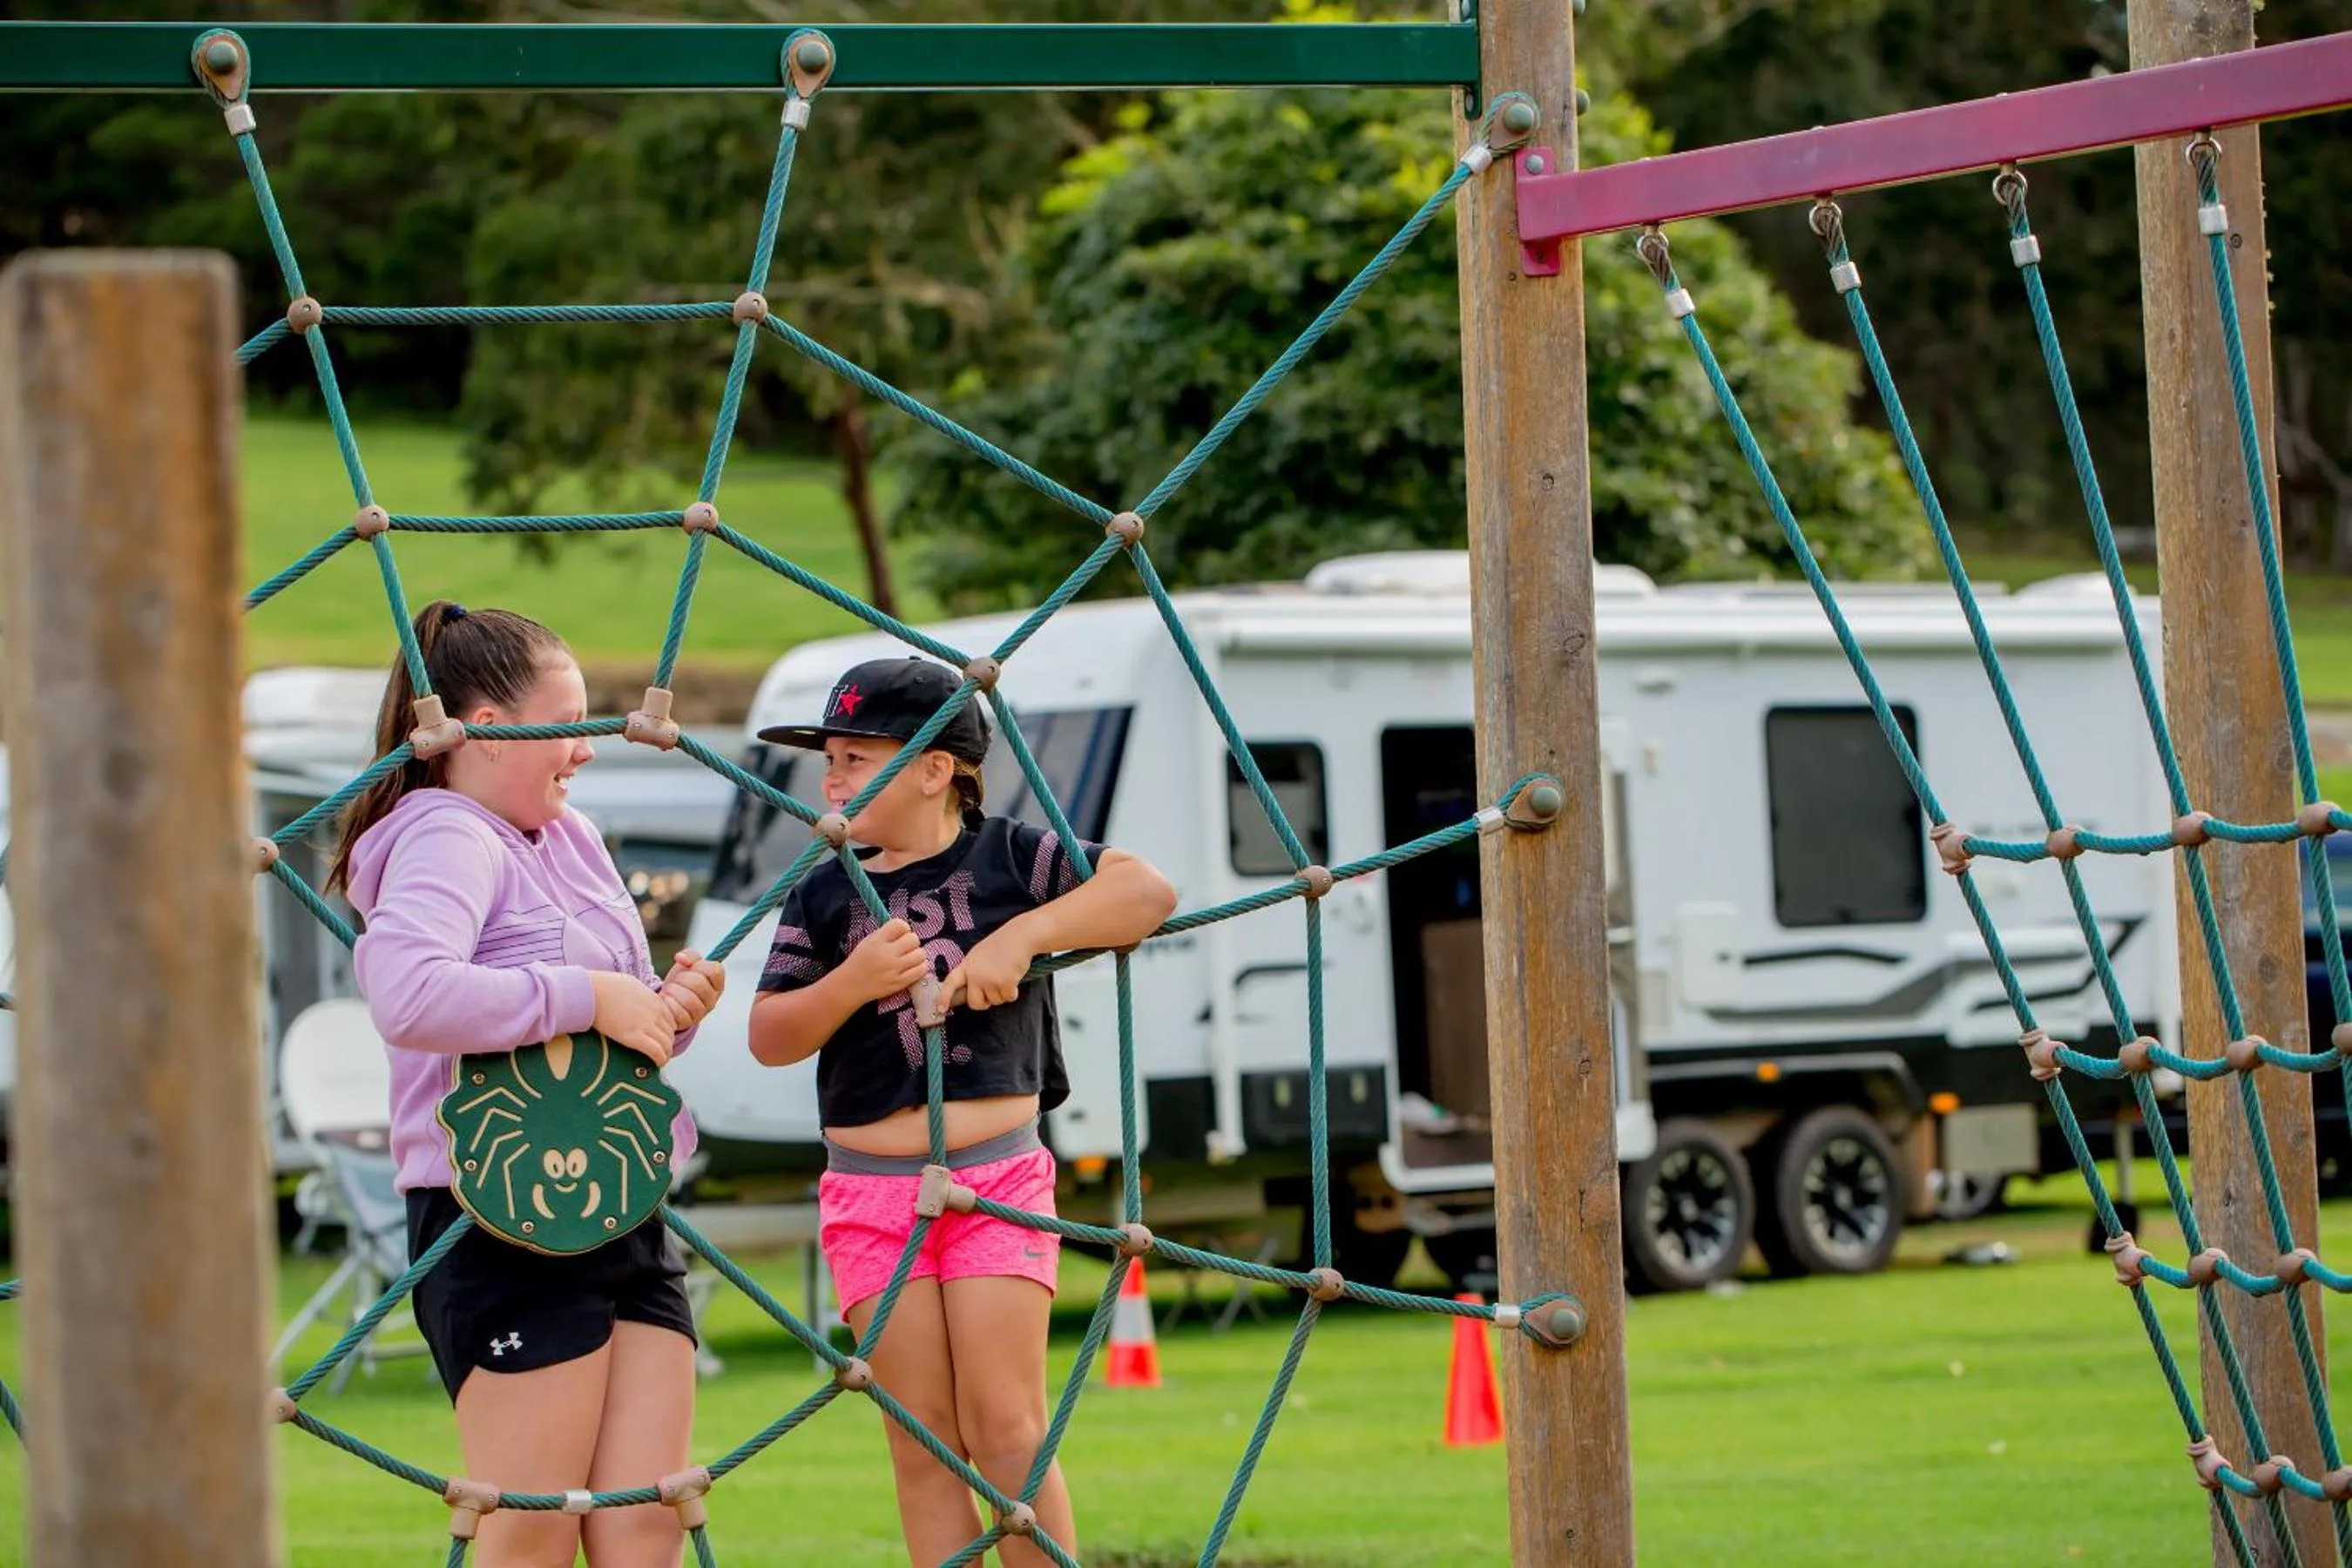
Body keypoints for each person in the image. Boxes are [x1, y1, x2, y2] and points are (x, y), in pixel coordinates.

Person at [747, 655, 1176, 1566]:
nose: (832, 777)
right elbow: (771, 1034)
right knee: (922, 1438)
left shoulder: (1014, 857)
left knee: (1006, 1427)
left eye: (858, 758)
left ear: (938, 767)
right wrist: (854, 983)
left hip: (995, 1179)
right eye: (829, 757)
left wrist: (1023, 936)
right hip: (869, 1195)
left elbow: (1145, 892)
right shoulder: (824, 889)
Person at [331, 601, 726, 1568]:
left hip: (621, 1202)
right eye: (572, 724)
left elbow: (590, 1018)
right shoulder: (445, 833)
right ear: (492, 731)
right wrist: (587, 994)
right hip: (498, 1210)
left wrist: (660, 1008)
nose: (588, 749)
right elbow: (411, 994)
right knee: (534, 1533)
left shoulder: (569, 837)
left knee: (643, 1522)